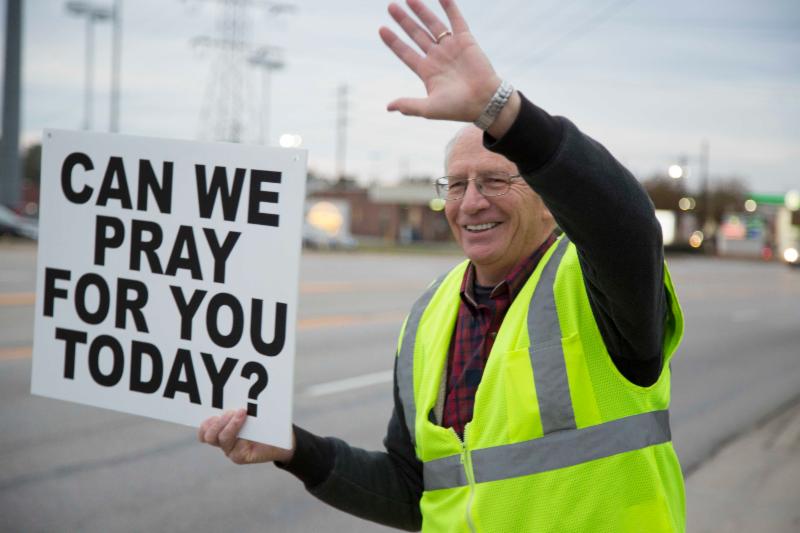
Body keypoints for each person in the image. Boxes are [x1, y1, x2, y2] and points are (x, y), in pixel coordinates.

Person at [198, 0, 685, 531]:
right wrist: (295, 449)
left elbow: (625, 224)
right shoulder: (429, 316)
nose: (470, 202)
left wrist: (503, 111)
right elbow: (417, 490)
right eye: (456, 185)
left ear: (548, 200)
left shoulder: (597, 287)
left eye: (494, 181)